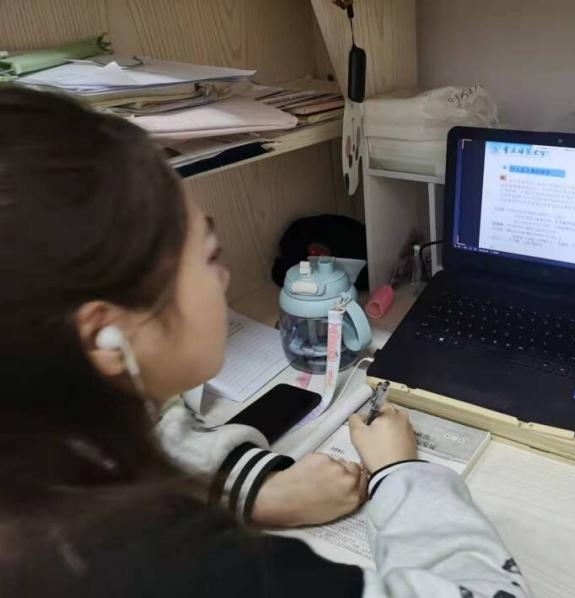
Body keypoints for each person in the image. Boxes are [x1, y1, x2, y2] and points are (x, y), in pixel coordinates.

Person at [0, 86, 529, 598]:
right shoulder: (179, 568)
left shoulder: (40, 441)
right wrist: (400, 473)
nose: (225, 278)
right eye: (209, 256)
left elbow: (156, 427)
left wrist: (256, 490)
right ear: (106, 335)